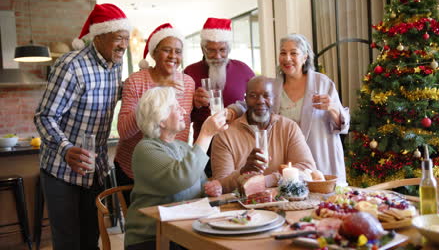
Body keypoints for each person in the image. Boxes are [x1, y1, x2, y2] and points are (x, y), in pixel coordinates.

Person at [33, 3, 131, 249]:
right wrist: (66, 149)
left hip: (93, 169)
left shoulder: (115, 64)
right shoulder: (71, 65)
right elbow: (44, 116)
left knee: (91, 238)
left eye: (127, 39)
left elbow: (108, 96)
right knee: (68, 243)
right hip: (61, 171)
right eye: (119, 38)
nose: (124, 45)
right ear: (99, 35)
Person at [230, 34, 350, 185]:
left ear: (305, 57)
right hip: (290, 165)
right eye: (283, 53)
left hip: (320, 159)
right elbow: (248, 103)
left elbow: (344, 125)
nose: (287, 58)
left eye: (293, 53)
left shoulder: (322, 83)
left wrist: (332, 107)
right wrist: (231, 111)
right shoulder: (273, 86)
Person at [124, 87, 227, 250]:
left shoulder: (183, 147)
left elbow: (199, 186)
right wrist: (206, 134)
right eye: (175, 106)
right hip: (151, 237)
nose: (183, 110)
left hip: (184, 232)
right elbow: (180, 179)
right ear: (160, 118)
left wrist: (210, 189)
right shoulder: (145, 149)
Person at [114, 23, 194, 203]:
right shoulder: (136, 81)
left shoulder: (188, 83)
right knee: (144, 227)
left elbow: (183, 127)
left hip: (171, 170)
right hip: (134, 170)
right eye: (167, 50)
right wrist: (157, 93)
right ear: (154, 53)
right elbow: (124, 132)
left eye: (178, 51)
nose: (173, 56)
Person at [210, 76, 317, 193]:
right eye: (253, 96)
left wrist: (268, 180)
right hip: (241, 207)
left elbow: (308, 169)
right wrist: (243, 171)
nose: (260, 101)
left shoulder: (289, 127)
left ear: (275, 100)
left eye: (266, 96)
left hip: (285, 204)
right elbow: (220, 185)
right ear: (245, 99)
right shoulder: (225, 134)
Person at [184, 17, 255, 177]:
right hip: (204, 148)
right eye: (211, 50)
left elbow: (257, 105)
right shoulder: (190, 73)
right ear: (203, 49)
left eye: (222, 50)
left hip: (239, 146)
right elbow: (180, 118)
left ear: (229, 49)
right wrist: (193, 104)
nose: (217, 55)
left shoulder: (243, 70)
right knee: (209, 193)